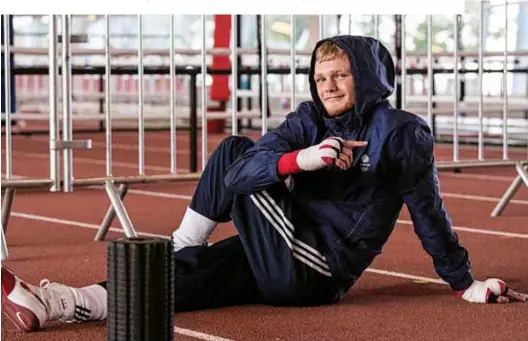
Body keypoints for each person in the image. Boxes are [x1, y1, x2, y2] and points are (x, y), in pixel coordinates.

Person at [2, 35, 527, 333]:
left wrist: (463, 282)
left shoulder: (400, 133)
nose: (329, 86)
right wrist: (305, 158)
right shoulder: (308, 119)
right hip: (280, 244)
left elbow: (428, 211)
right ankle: (60, 304)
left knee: (236, 155)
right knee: (189, 277)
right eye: (321, 78)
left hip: (316, 268)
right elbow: (249, 170)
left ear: (367, 77)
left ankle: (183, 242)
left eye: (341, 75)